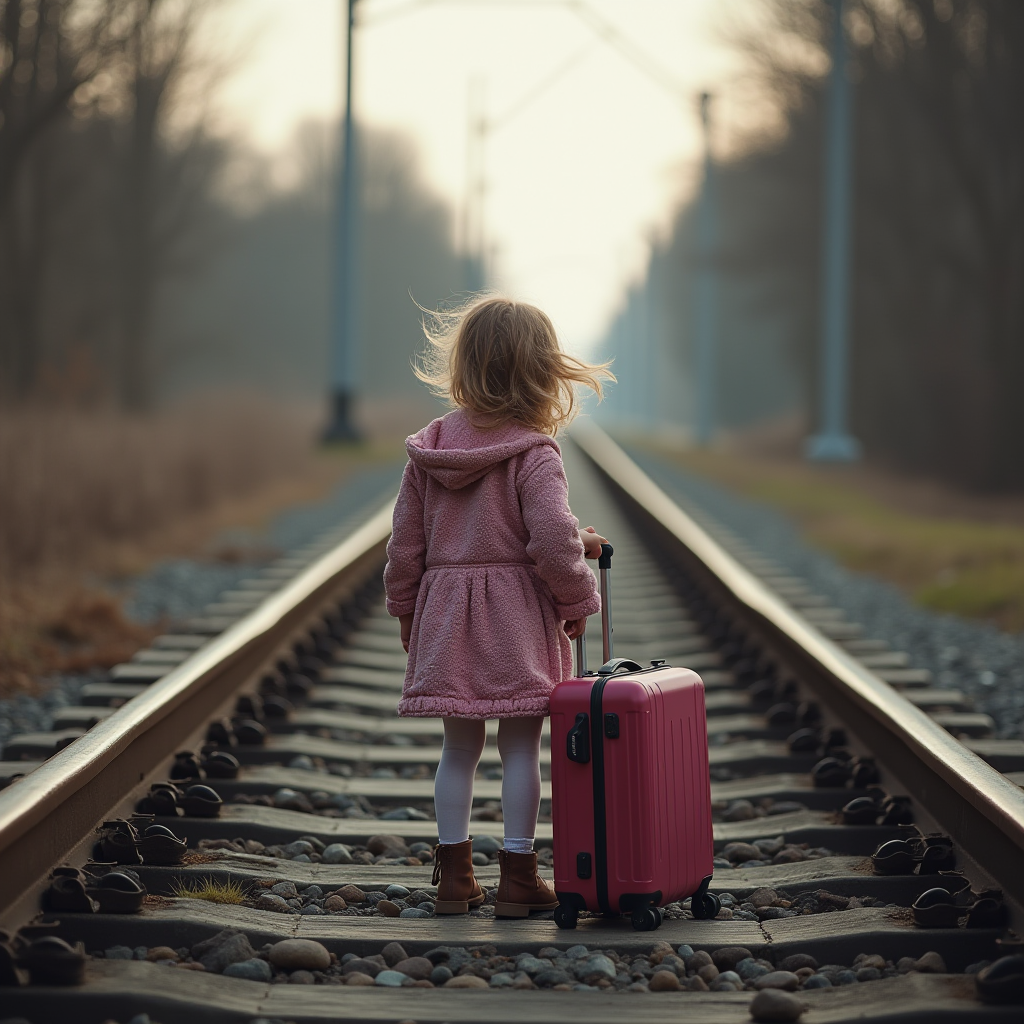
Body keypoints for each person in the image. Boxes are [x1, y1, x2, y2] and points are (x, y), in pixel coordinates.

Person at [383, 295, 614, 917]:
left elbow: (405, 543)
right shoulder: (533, 452)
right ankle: (518, 875)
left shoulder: (429, 450)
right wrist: (577, 596)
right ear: (541, 372)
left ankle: (453, 877)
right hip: (514, 613)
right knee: (520, 749)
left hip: (446, 609)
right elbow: (550, 538)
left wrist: (406, 607)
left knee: (458, 749)